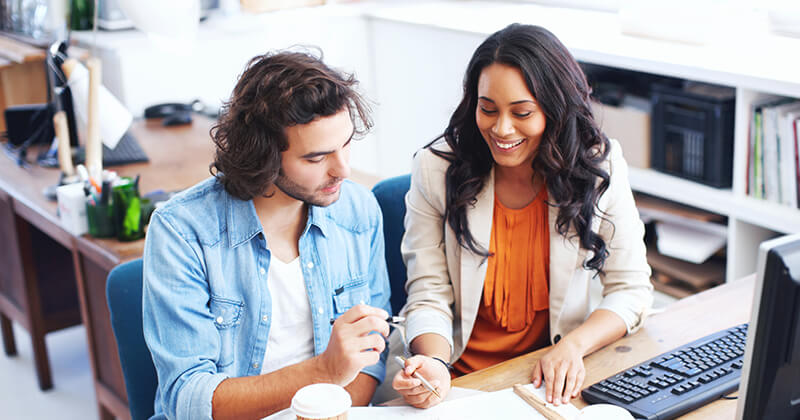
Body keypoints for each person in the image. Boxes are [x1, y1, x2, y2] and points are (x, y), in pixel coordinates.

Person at [390, 24, 653, 408]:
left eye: (522, 112)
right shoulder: (435, 169)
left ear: (556, 109)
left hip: (544, 377)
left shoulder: (600, 165)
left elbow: (631, 288)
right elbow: (428, 292)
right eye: (488, 109)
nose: (501, 129)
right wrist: (432, 363)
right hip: (458, 379)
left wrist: (574, 347)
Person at [142, 50, 392, 420]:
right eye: (316, 158)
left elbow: (371, 357)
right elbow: (188, 399)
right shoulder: (182, 233)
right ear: (264, 155)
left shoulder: (357, 211)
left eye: (346, 144)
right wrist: (324, 371)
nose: (343, 169)